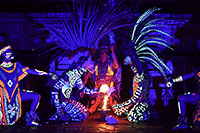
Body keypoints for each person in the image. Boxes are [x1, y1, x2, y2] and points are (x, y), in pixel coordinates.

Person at [0, 42, 56, 126]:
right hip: (3, 96)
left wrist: (48, 74)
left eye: (10, 51)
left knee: (36, 96)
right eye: (6, 52)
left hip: (16, 94)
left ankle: (30, 119)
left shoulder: (17, 65)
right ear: (1, 54)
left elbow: (31, 71)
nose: (8, 53)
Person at [47, 55, 99, 124]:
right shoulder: (67, 76)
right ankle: (61, 116)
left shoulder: (77, 76)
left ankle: (64, 116)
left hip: (68, 100)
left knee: (86, 113)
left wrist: (96, 91)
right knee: (81, 116)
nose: (84, 72)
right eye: (84, 70)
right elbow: (54, 89)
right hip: (61, 102)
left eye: (85, 70)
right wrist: (58, 107)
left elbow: (83, 89)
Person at [112, 46, 150, 122]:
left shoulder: (140, 75)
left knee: (131, 117)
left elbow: (136, 97)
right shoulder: (136, 73)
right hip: (135, 102)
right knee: (120, 112)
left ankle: (146, 114)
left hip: (142, 103)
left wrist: (122, 105)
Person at [86, 34, 121, 114]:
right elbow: (88, 75)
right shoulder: (96, 63)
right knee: (92, 106)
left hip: (110, 88)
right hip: (97, 88)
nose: (103, 52)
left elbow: (117, 66)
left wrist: (113, 51)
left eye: (105, 49)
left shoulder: (111, 62)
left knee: (116, 106)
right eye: (102, 50)